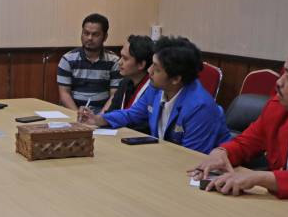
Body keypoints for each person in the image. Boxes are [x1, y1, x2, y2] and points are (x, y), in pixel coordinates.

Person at [189, 39, 288, 202]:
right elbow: (246, 143)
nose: (279, 82)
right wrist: (221, 152)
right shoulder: (278, 106)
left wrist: (261, 178)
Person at [78, 36, 230, 154]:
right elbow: (131, 114)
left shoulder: (200, 107)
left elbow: (191, 157)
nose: (149, 71)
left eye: (156, 68)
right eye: (151, 64)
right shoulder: (156, 88)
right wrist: (98, 119)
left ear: (176, 79)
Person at [57, 13, 121, 113]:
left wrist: (99, 117)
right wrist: (77, 114)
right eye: (86, 33)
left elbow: (114, 95)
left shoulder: (114, 61)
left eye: (95, 34)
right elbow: (64, 94)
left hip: (102, 113)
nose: (89, 38)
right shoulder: (68, 59)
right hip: (73, 112)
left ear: (105, 37)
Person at [109, 34, 155, 133]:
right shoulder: (124, 83)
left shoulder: (153, 88)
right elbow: (111, 112)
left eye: (125, 58)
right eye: (120, 56)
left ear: (141, 64)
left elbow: (145, 127)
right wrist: (94, 118)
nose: (119, 62)